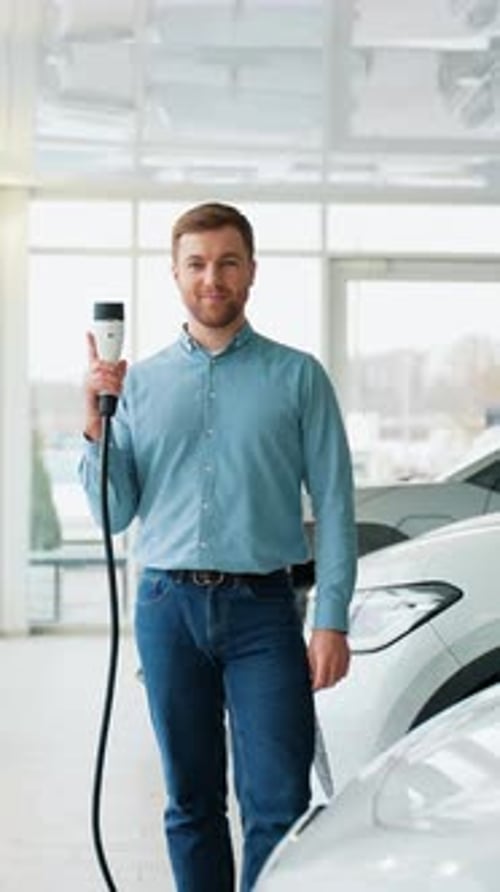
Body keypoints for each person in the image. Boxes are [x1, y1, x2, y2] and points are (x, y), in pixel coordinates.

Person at [79, 202, 357, 892]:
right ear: (176, 275)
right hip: (166, 608)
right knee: (192, 803)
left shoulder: (299, 378)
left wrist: (332, 619)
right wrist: (94, 421)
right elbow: (114, 512)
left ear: (251, 272)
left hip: (264, 611)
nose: (213, 278)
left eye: (228, 262)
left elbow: (337, 502)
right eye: (197, 264)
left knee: (278, 802)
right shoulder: (136, 385)